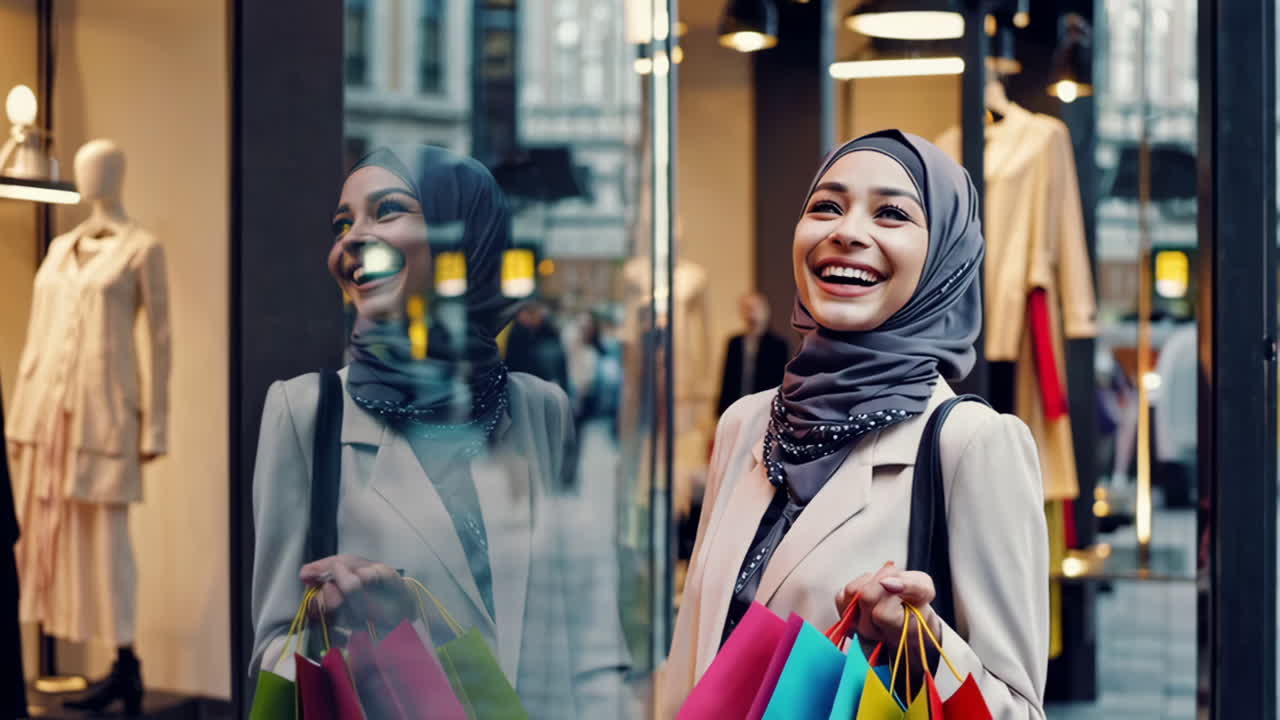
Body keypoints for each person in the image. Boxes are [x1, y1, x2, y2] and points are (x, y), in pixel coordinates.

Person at [660, 130, 1048, 719]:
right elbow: (691, 653)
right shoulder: (746, 424)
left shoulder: (972, 445)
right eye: (826, 207)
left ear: (945, 255)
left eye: (892, 213)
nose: (847, 231)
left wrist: (922, 641)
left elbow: (1019, 711)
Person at [250, 145, 631, 719]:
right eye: (342, 223)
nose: (352, 239)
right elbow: (276, 648)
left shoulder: (540, 409)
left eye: (387, 210)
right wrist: (378, 632)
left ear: (463, 238)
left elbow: (590, 633)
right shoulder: (305, 411)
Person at [716, 292, 790, 417]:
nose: (751, 313)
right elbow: (727, 379)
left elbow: (782, 383)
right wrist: (719, 413)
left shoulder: (778, 345)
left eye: (755, 308)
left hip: (766, 410)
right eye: (747, 308)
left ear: (765, 311)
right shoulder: (734, 343)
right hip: (737, 407)